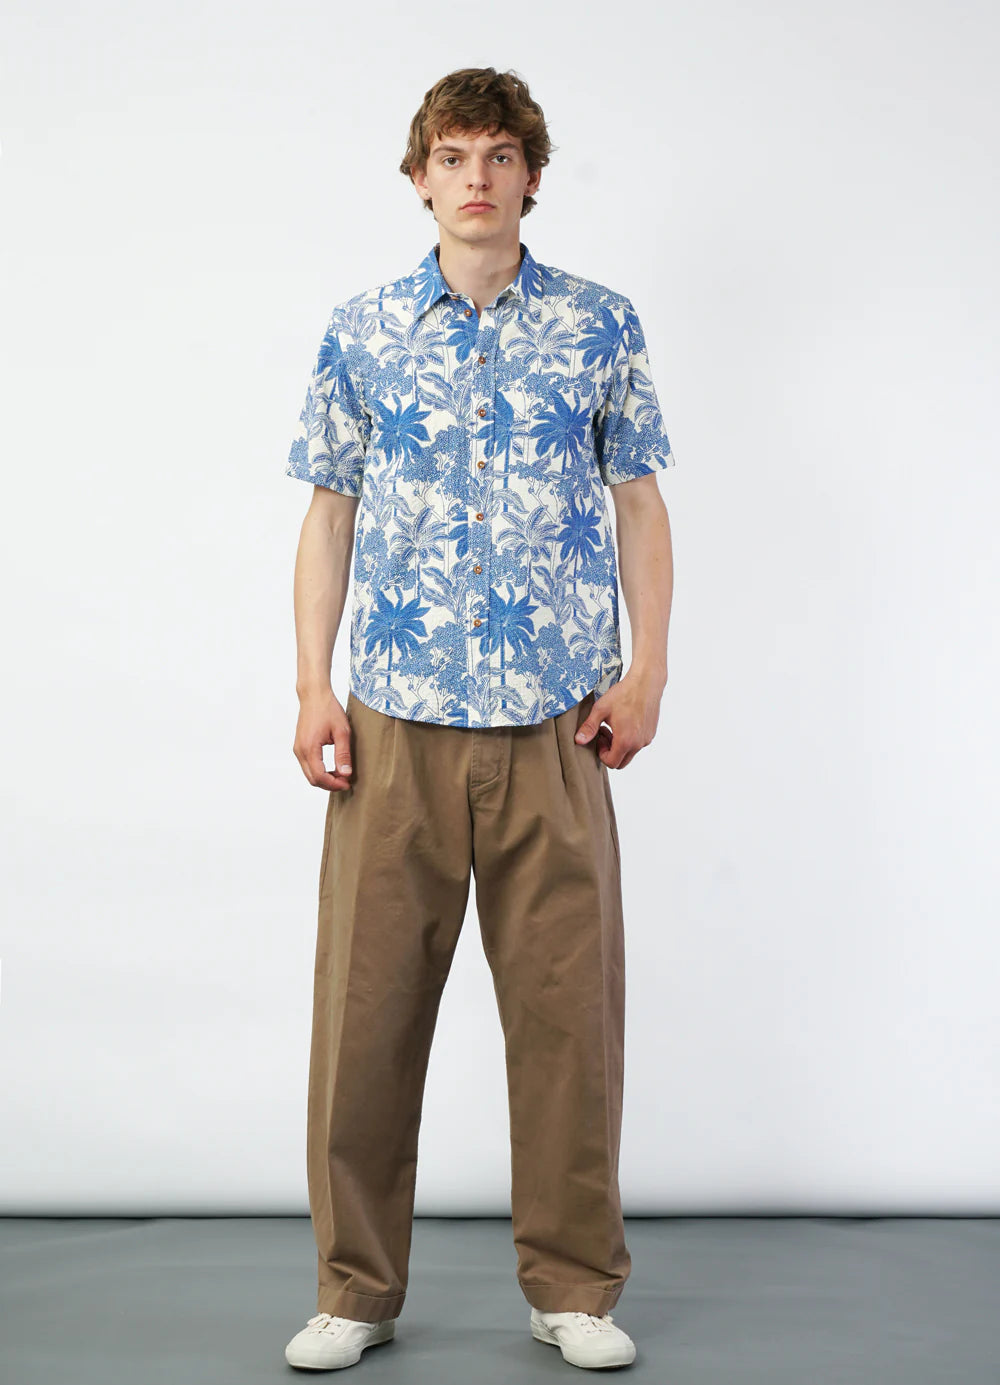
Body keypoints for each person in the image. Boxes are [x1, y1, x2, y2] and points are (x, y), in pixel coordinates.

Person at [282, 65, 676, 1372]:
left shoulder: (600, 325)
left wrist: (647, 671)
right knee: (366, 1012)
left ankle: (574, 1285)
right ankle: (355, 1287)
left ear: (532, 178)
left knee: (569, 1019)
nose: (476, 178)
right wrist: (313, 685)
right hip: (393, 726)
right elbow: (328, 514)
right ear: (419, 179)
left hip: (558, 727)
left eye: (500, 156)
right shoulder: (362, 331)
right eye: (453, 156)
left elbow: (639, 504)